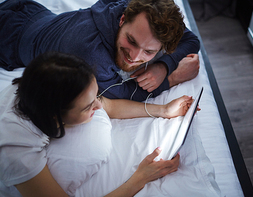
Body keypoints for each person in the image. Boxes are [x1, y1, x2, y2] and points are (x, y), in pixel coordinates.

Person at [0, 51, 196, 197]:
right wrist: (140, 178)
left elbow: (107, 105)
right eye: (87, 107)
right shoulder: (17, 149)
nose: (98, 106)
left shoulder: (44, 81)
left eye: (95, 95)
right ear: (55, 117)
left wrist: (163, 110)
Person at [0, 0, 200, 101]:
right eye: (131, 40)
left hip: (32, 11)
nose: (134, 57)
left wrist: (165, 65)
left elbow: (191, 39)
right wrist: (173, 78)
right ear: (122, 19)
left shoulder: (135, 7)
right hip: (7, 38)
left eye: (149, 52)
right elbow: (123, 93)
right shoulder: (91, 55)